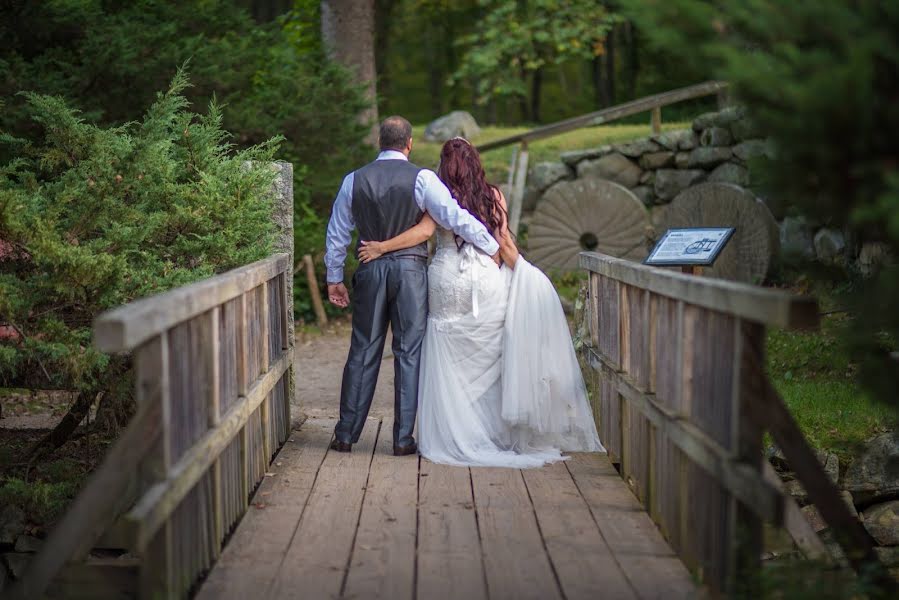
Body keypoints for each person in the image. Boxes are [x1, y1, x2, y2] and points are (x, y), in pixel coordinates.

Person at [357, 137, 603, 468]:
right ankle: (491, 434)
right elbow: (503, 244)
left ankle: (454, 433)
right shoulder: (493, 195)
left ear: (444, 164)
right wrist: (525, 273)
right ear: (475, 162)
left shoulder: (436, 193)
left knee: (448, 354)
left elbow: (423, 234)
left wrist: (382, 247)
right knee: (490, 355)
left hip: (445, 280)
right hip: (485, 279)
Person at [324, 117, 501, 456]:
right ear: (409, 144)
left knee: (362, 350)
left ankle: (345, 435)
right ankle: (403, 440)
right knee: (408, 352)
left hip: (370, 270)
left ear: (380, 141)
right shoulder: (423, 178)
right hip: (410, 274)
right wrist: (490, 246)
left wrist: (334, 278)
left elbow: (337, 233)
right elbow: (454, 217)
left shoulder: (353, 180)